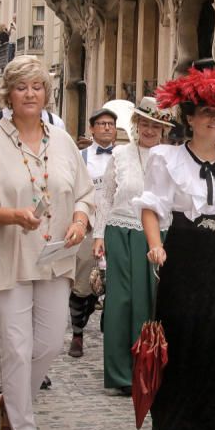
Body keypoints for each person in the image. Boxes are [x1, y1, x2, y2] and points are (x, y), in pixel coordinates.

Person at [0, 55, 96, 430]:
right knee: (17, 348)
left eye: (37, 87)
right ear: (8, 94)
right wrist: (12, 215)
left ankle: (9, 401)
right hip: (8, 258)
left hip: (54, 257)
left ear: (46, 93)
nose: (30, 94)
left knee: (51, 342)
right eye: (22, 87)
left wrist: (79, 220)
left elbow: (85, 194)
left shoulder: (62, 141)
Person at [134, 67, 215, 430]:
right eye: (207, 112)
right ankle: (176, 422)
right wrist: (156, 246)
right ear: (189, 118)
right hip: (184, 256)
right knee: (183, 336)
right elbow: (151, 209)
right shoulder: (167, 159)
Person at [92, 97, 171, 392]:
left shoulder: (170, 156)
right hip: (121, 230)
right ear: (136, 125)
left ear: (164, 130)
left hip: (159, 235)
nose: (150, 130)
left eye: (156, 125)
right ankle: (121, 374)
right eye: (145, 123)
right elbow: (106, 196)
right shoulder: (121, 154)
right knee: (121, 301)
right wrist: (98, 235)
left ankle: (148, 370)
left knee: (152, 302)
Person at [68, 106, 117, 358]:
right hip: (88, 228)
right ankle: (78, 332)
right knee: (83, 284)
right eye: (102, 124)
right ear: (92, 128)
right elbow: (74, 191)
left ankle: (112, 330)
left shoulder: (123, 156)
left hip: (117, 229)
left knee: (116, 284)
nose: (107, 127)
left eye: (111, 124)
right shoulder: (81, 157)